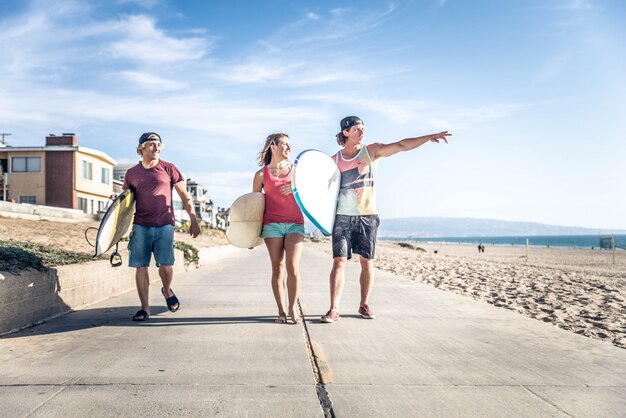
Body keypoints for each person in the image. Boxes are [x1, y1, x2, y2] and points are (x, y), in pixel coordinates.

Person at [321, 116, 451, 323]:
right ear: (345, 132)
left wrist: (428, 137)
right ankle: (334, 308)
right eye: (357, 129)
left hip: (367, 216)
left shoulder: (371, 151)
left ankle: (364, 305)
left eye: (363, 128)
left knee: (367, 261)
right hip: (342, 218)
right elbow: (320, 190)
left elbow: (401, 146)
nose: (362, 132)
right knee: (339, 262)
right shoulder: (332, 161)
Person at [123, 132, 201, 322]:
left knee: (166, 266)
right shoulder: (132, 173)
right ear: (141, 148)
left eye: (159, 144)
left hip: (165, 224)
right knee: (141, 267)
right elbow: (125, 202)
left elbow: (184, 195)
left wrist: (193, 218)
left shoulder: (168, 168)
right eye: (151, 144)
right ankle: (145, 308)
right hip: (141, 225)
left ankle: (167, 290)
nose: (156, 148)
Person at [253, 133, 305, 325]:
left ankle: (293, 307)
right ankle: (281, 310)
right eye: (284, 144)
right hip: (272, 224)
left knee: (292, 266)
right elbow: (254, 207)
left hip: (295, 223)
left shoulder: (298, 171)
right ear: (273, 146)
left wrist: (296, 188)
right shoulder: (261, 175)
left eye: (290, 144)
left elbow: (312, 193)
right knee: (278, 268)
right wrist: (251, 237)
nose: (289, 148)